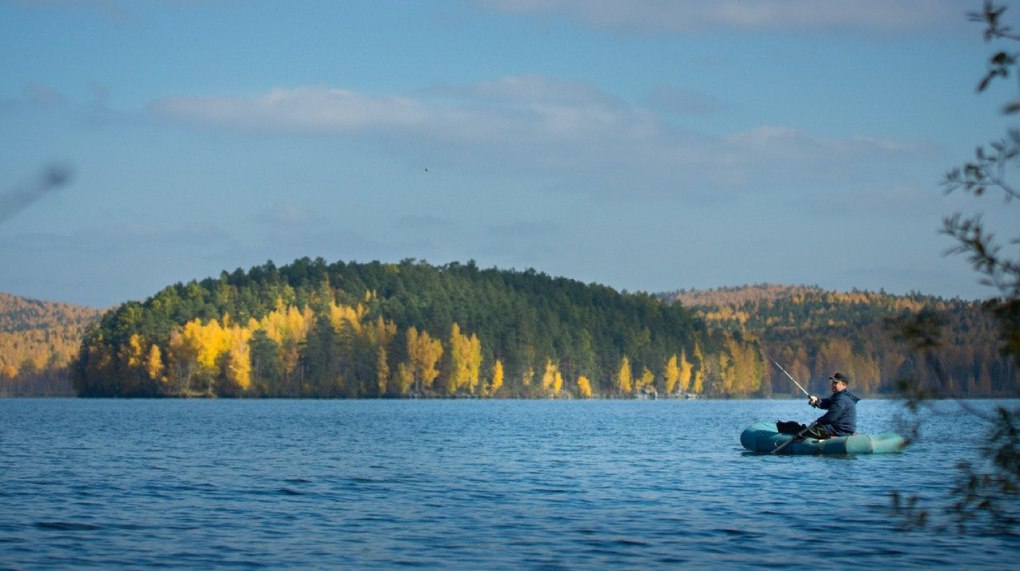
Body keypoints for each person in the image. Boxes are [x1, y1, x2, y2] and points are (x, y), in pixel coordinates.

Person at [805, 372, 859, 438]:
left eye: (836, 383)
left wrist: (817, 422)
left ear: (843, 385)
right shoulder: (840, 396)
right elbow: (828, 402)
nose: (833, 385)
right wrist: (817, 401)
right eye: (833, 382)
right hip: (840, 429)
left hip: (840, 430)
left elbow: (831, 417)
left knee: (809, 430)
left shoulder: (841, 399)